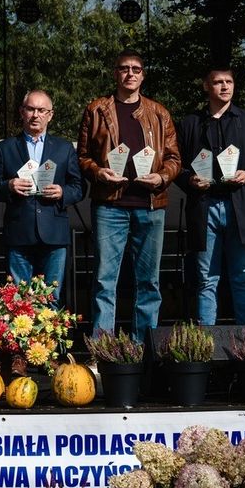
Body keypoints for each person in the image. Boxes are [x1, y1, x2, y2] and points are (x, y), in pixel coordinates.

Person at [76, 49, 182, 343]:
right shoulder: (97, 109)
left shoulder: (159, 113)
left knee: (149, 282)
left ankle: (143, 348)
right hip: (110, 205)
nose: (130, 73)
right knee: (104, 282)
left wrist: (161, 176)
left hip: (150, 205)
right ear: (116, 73)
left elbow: (174, 159)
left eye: (136, 69)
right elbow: (82, 157)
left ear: (143, 75)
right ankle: (103, 349)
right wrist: (99, 173)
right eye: (124, 68)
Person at [176, 67, 245, 325]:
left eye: (229, 82)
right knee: (206, 279)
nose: (224, 87)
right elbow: (174, 165)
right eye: (218, 82)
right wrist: (189, 179)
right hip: (204, 205)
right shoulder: (189, 123)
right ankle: (206, 345)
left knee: (243, 278)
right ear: (206, 86)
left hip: (240, 205)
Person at [0, 89, 85, 305]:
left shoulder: (64, 148)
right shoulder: (5, 148)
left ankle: (53, 341)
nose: (35, 115)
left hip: (54, 234)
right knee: (18, 302)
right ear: (22, 112)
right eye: (30, 109)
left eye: (41, 110)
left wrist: (62, 192)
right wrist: (9, 185)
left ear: (51, 114)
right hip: (19, 233)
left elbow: (79, 187)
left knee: (52, 298)